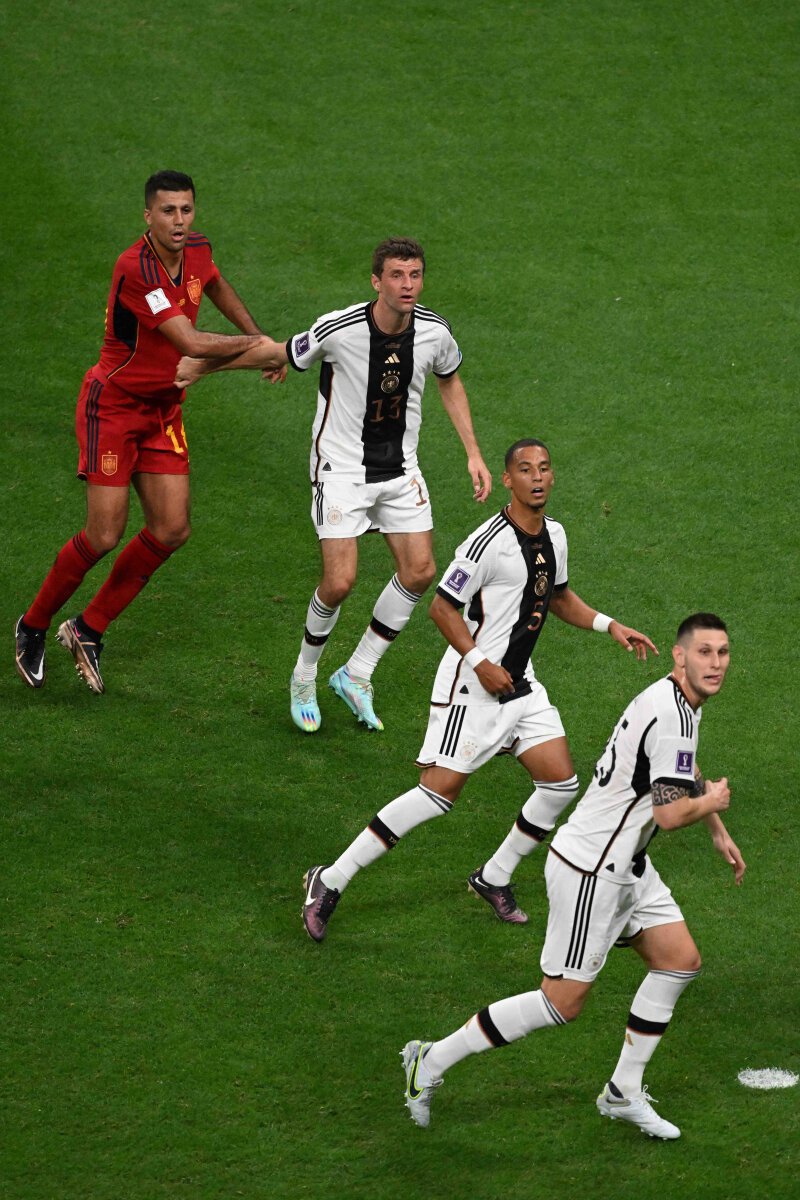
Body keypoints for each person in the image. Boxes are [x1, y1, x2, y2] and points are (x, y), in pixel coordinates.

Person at [400, 613, 745, 1139]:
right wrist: (712, 803)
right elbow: (670, 813)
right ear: (680, 656)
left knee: (679, 962)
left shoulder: (675, 700)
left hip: (626, 863)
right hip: (592, 870)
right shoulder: (673, 713)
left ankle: (622, 1092)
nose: (715, 663)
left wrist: (717, 829)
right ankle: (429, 1060)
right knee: (560, 1003)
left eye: (722, 653)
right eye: (704, 652)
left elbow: (681, 768)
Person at [300, 438, 658, 941]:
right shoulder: (486, 543)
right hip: (472, 686)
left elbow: (557, 597)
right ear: (507, 480)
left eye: (544, 468)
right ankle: (330, 879)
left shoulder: (555, 535)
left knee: (559, 784)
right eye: (525, 469)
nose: (537, 477)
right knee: (436, 795)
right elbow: (441, 608)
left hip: (521, 683)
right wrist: (480, 663)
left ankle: (494, 876)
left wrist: (609, 625)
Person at [175, 237, 492, 734]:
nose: (407, 285)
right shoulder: (340, 329)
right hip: (340, 470)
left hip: (399, 468)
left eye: (415, 275)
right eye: (396, 275)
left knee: (419, 571)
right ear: (376, 281)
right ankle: (304, 676)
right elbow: (277, 353)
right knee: (340, 582)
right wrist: (204, 366)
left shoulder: (435, 332)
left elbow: (449, 379)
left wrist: (473, 451)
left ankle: (357, 672)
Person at [14, 170, 274, 694]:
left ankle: (88, 628)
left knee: (172, 528)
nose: (179, 221)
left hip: (163, 412)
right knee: (104, 534)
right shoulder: (137, 269)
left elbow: (214, 281)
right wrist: (259, 347)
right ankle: (33, 624)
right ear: (148, 216)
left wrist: (253, 331)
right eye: (168, 211)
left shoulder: (197, 248)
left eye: (186, 210)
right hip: (112, 408)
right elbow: (191, 343)